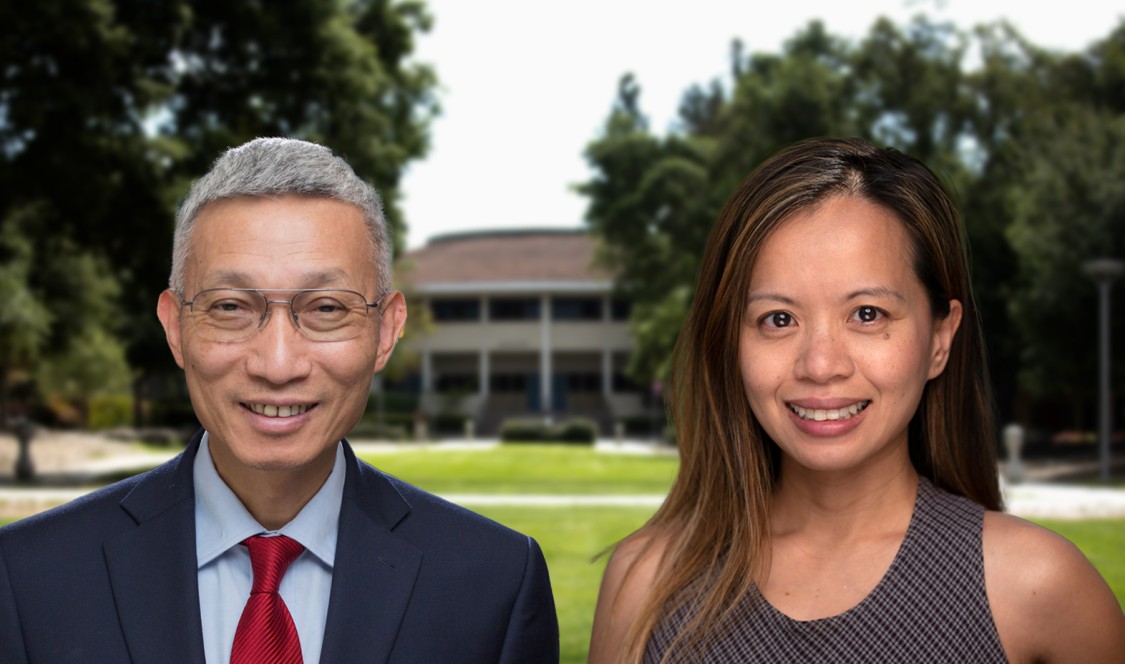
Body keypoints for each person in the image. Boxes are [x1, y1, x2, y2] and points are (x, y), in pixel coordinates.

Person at [0, 137, 559, 663]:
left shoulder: (494, 586)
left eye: (325, 308)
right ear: (174, 327)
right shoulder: (28, 578)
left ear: (386, 330)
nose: (277, 364)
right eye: (230, 307)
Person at [589, 137, 1125, 663]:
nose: (820, 365)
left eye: (867, 314)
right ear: (731, 343)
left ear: (940, 338)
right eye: (779, 319)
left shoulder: (1036, 589)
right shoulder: (645, 586)